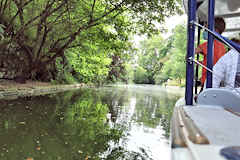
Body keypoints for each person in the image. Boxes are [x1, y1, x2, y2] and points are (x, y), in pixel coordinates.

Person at [195, 17, 226, 89]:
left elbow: (190, 53)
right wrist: (201, 62)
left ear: (214, 30)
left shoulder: (208, 45)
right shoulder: (223, 47)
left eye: (206, 29)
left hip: (207, 82)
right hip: (218, 83)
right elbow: (215, 62)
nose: (204, 31)